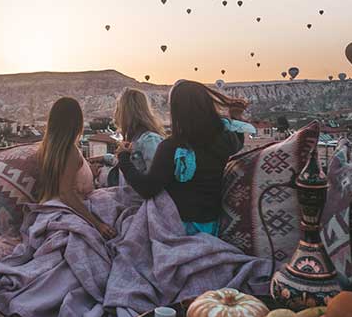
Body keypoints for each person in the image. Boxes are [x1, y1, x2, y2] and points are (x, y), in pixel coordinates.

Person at [117, 80, 248, 236]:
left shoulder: (171, 147)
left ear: (176, 111)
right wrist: (236, 117)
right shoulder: (224, 141)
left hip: (180, 226)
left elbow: (148, 189)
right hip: (211, 225)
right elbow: (238, 142)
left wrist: (124, 159)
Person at [36, 97, 117, 239]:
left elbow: (67, 176)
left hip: (55, 205)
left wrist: (88, 172)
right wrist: (97, 224)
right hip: (71, 209)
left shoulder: (50, 149)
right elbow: (66, 193)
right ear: (76, 123)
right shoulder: (70, 151)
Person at [113, 88, 165, 183]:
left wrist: (123, 157)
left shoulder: (150, 140)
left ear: (126, 112)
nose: (115, 113)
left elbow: (153, 183)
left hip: (143, 197)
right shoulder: (133, 139)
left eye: (118, 108)